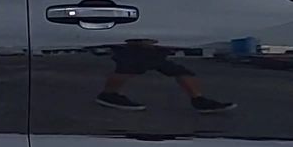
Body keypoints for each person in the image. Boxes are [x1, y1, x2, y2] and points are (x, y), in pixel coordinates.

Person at [96, 39, 234, 113]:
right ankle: (109, 94)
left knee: (179, 71)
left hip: (153, 44)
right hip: (139, 44)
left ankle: (198, 100)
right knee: (129, 68)